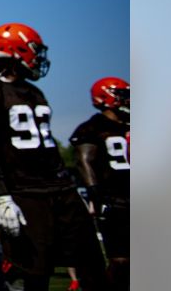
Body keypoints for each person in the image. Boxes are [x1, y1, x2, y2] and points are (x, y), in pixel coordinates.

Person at [0, 23, 105, 291]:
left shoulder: (34, 92)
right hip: (25, 191)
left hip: (60, 188)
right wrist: (2, 194)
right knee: (35, 273)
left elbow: (47, 145)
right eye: (34, 50)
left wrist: (74, 189)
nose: (38, 58)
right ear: (16, 50)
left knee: (92, 262)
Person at [71, 76, 130, 289]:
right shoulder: (92, 128)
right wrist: (96, 196)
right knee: (121, 260)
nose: (128, 100)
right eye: (123, 95)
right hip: (115, 199)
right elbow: (84, 162)